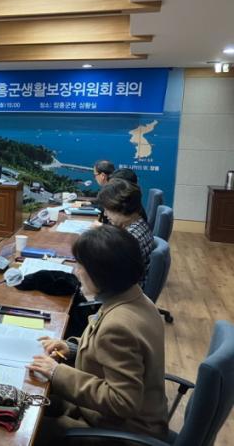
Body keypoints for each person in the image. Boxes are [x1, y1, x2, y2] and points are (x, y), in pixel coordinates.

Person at [28, 225, 169, 445]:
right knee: (28, 400)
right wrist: (72, 348)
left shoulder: (119, 326)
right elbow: (105, 351)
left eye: (81, 266)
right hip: (110, 417)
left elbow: (122, 401)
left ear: (101, 274)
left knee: (25, 427)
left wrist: (57, 372)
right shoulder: (133, 298)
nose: (77, 272)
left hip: (121, 432)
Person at [97, 178, 154, 276]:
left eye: (107, 210)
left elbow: (110, 275)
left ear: (121, 208)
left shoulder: (128, 240)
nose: (105, 214)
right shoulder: (139, 223)